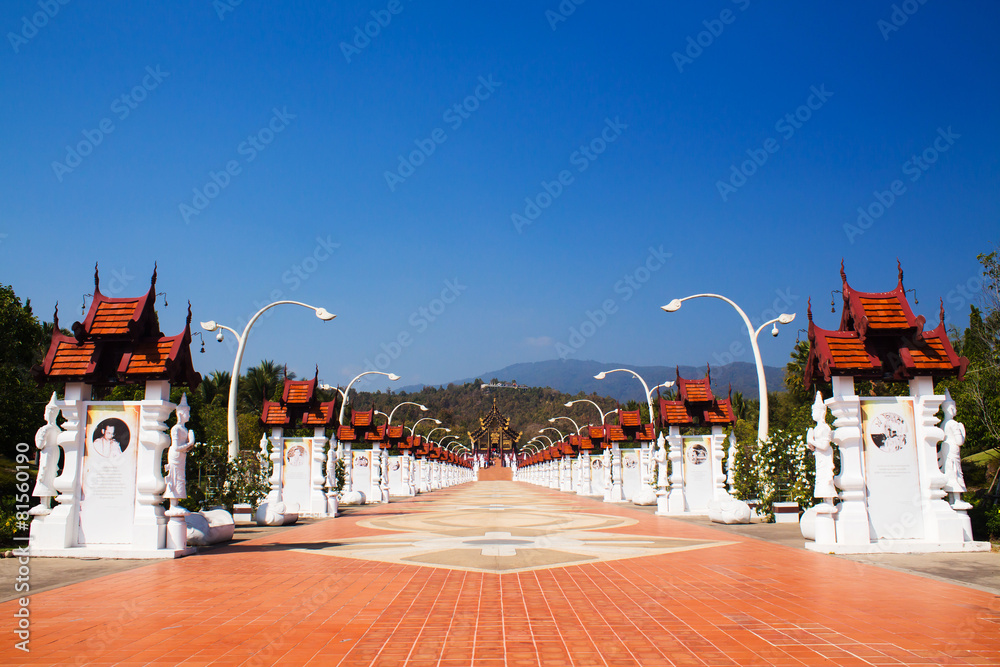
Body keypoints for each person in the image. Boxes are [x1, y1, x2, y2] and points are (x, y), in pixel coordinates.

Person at [165, 396, 196, 507]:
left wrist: (190, 445)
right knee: (174, 478)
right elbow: (176, 447)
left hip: (181, 456)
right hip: (176, 455)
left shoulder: (185, 429)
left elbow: (184, 448)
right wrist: (190, 442)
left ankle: (176, 502)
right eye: (187, 413)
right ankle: (173, 504)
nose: (189, 416)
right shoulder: (176, 428)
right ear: (181, 414)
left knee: (181, 478)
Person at [806, 392, 836, 499]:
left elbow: (824, 446)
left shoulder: (825, 427)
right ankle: (824, 500)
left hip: (825, 456)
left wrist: (812, 440)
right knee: (820, 479)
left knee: (826, 480)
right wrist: (810, 444)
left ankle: (829, 501)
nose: (812, 414)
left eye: (814, 411)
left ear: (822, 412)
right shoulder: (816, 428)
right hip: (819, 457)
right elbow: (817, 447)